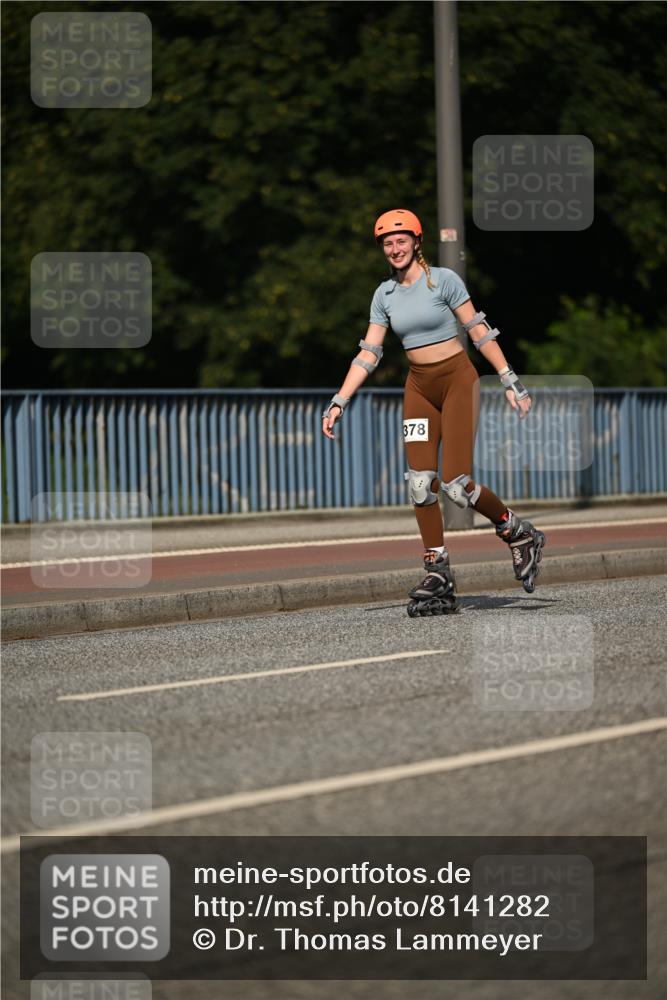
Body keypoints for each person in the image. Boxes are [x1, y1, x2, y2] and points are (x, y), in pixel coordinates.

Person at [321, 208, 545, 616]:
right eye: (387, 243)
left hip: (458, 380)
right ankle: (437, 568)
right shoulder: (383, 295)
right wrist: (340, 400)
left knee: (456, 485)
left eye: (401, 240)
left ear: (417, 241)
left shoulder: (443, 280)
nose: (394, 248)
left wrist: (510, 379)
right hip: (419, 388)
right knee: (421, 483)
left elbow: (478, 329)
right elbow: (369, 353)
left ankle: (515, 530)